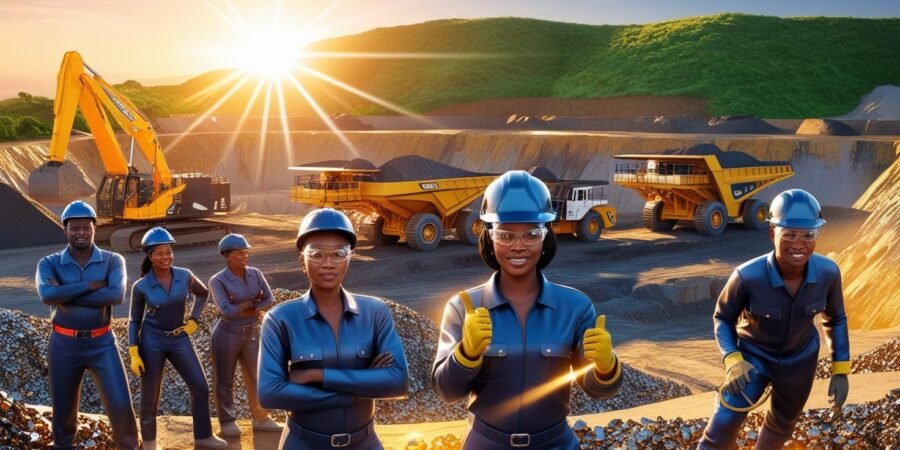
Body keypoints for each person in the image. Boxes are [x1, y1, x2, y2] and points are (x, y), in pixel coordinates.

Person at [432, 171, 623, 449]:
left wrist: (607, 367)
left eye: (531, 234)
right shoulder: (463, 307)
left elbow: (597, 390)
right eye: (505, 235)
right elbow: (447, 391)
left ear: (546, 236)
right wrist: (467, 353)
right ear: (488, 236)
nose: (518, 246)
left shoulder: (576, 307)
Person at [698, 189, 850, 449]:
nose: (799, 243)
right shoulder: (747, 276)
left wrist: (841, 370)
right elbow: (722, 317)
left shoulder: (828, 273)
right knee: (722, 425)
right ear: (772, 233)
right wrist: (733, 360)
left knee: (782, 425)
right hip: (752, 358)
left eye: (808, 235)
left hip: (800, 362)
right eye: (789, 234)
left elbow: (835, 319)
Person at [258, 208, 409, 450]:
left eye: (339, 254)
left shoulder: (375, 313)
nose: (328, 263)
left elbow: (397, 382)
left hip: (365, 443)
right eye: (317, 254)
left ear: (350, 257)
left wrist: (315, 375)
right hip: (302, 443)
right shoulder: (280, 319)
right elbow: (271, 393)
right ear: (302, 260)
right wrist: (358, 392)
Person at [35, 200, 139, 449]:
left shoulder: (113, 260)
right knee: (63, 412)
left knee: (121, 405)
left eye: (86, 227)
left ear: (94, 228)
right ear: (65, 230)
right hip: (63, 344)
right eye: (75, 228)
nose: (81, 233)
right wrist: (89, 285)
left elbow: (116, 296)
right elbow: (47, 295)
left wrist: (67, 293)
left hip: (103, 343)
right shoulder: (48, 263)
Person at [127, 227, 227, 450]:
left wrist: (193, 320)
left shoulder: (184, 275)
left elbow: (202, 294)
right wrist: (134, 351)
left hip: (179, 338)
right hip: (152, 341)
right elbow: (134, 320)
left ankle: (203, 437)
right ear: (150, 256)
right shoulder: (141, 286)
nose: (166, 257)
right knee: (150, 396)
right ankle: (150, 444)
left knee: (200, 386)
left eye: (169, 251)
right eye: (160, 253)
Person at [208, 233, 282, 437]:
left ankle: (261, 417)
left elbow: (269, 298)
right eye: (239, 253)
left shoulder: (255, 274)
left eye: (246, 252)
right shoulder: (218, 280)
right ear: (227, 255)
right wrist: (251, 304)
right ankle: (227, 421)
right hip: (226, 335)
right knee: (224, 379)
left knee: (257, 376)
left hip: (251, 331)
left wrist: (244, 307)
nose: (244, 256)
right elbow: (226, 311)